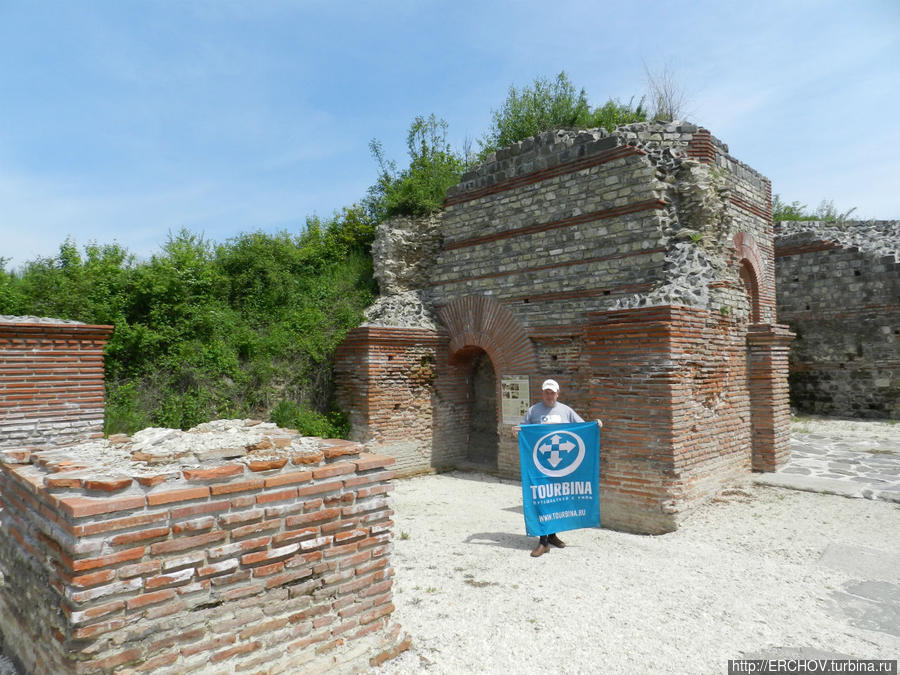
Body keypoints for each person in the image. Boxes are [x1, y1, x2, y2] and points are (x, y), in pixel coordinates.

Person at [518, 379, 601, 558]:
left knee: (556, 499)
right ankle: (543, 541)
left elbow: (581, 427)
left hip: (562, 466)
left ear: (557, 393)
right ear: (543, 393)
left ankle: (553, 536)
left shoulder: (566, 411)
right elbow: (523, 428)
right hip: (540, 466)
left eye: (552, 392)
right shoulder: (534, 411)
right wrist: (515, 430)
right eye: (546, 392)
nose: (549, 395)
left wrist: (595, 425)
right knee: (542, 499)